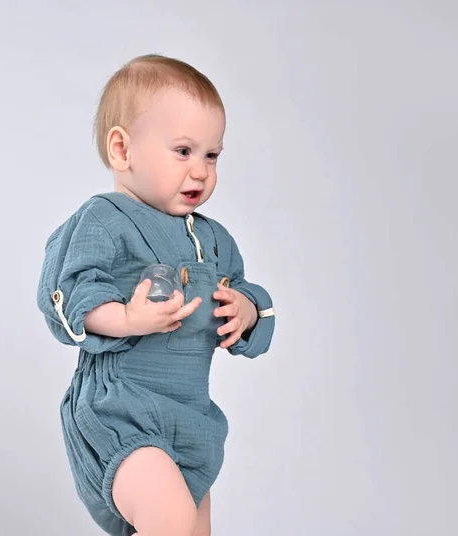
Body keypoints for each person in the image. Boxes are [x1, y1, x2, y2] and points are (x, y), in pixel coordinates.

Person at [37, 54, 276, 536]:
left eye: (212, 155)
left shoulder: (213, 240)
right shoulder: (104, 218)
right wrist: (126, 318)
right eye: (183, 151)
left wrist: (245, 311)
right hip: (120, 411)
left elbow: (241, 287)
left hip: (191, 420)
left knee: (192, 530)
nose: (202, 171)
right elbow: (67, 292)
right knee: (169, 521)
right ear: (123, 151)